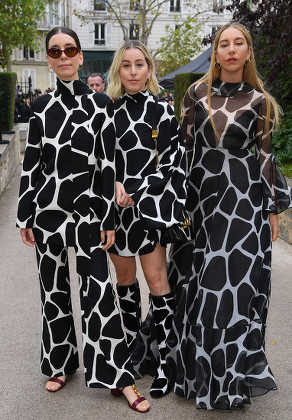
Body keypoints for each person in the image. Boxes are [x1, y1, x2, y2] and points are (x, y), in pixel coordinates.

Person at [16, 26, 150, 413]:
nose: (62, 57)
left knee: (99, 293)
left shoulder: (101, 106)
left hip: (90, 214)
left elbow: (107, 166)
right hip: (48, 213)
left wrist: (108, 217)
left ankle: (119, 376)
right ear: (48, 58)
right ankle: (59, 362)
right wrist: (26, 214)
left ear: (79, 55)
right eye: (54, 51)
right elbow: (32, 166)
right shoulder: (40, 108)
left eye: (69, 50)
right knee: (53, 292)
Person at [166, 22, 292, 410]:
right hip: (201, 206)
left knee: (236, 294)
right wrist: (175, 205)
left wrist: (271, 210)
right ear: (216, 52)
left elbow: (266, 159)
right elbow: (183, 152)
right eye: (224, 44)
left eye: (239, 43)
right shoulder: (194, 94)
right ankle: (196, 376)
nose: (232, 50)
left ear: (248, 51)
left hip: (243, 208)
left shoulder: (260, 101)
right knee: (197, 290)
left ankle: (230, 382)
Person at [106, 40, 187, 397]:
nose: (134, 71)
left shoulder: (162, 110)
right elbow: (100, 160)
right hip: (115, 212)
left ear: (149, 69)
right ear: (118, 71)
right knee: (124, 283)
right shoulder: (106, 110)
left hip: (149, 211)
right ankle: (133, 356)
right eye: (127, 65)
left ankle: (167, 364)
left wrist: (136, 188)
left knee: (157, 283)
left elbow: (171, 162)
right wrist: (115, 183)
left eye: (140, 64)